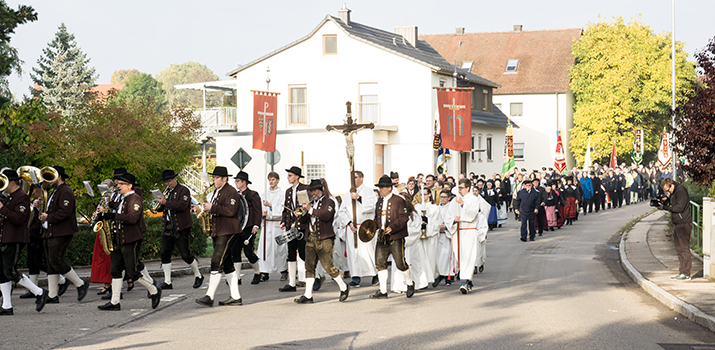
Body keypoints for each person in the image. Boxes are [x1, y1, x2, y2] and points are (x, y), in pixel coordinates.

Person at [98, 173, 162, 311]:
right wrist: (104, 211)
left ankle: (154, 290)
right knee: (115, 270)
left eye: (121, 184)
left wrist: (113, 215)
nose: (118, 186)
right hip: (118, 239)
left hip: (130, 240)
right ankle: (115, 302)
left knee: (132, 272)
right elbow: (116, 208)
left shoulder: (135, 199)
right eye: (117, 184)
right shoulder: (122, 198)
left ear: (130, 185)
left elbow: (132, 218)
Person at [0, 169, 50, 315]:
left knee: (10, 271)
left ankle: (40, 292)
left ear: (12, 182)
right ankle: (7, 306)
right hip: (5, 237)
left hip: (14, 238)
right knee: (2, 273)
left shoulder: (21, 197)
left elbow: (19, 218)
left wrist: (2, 209)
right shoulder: (8, 196)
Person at [293, 180, 350, 303]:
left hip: (325, 238)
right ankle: (308, 295)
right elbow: (304, 222)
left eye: (315, 190)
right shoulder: (311, 203)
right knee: (309, 266)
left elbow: (326, 216)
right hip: (311, 238)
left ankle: (344, 287)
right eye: (311, 191)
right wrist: (300, 214)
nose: (313, 193)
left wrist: (310, 209)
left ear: (321, 190)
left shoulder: (329, 202)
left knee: (328, 266)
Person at [39, 165, 88, 304]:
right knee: (50, 263)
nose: (48, 181)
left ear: (58, 176)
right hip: (52, 231)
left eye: (51, 177)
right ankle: (53, 295)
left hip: (61, 232)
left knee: (55, 260)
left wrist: (48, 217)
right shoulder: (56, 191)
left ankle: (80, 284)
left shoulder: (65, 191)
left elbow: (65, 212)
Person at [196, 166, 243, 307]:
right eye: (213, 177)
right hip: (219, 231)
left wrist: (212, 208)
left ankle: (209, 296)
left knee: (216, 260)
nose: (214, 180)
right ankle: (235, 296)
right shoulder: (216, 192)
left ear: (224, 179)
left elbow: (231, 210)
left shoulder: (231, 192)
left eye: (216, 178)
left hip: (228, 231)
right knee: (228, 264)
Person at [156, 169, 203, 290]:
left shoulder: (184, 190)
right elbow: (161, 209)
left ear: (174, 179)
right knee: (164, 253)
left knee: (185, 254)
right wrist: (160, 203)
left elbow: (182, 206)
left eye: (169, 181)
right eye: (165, 182)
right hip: (168, 226)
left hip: (181, 227)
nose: (167, 184)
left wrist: (166, 202)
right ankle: (167, 281)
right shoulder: (166, 192)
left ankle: (198, 275)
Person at [370, 175, 414, 299]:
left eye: (382, 187)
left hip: (396, 236)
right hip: (382, 236)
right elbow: (377, 219)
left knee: (400, 263)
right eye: (379, 188)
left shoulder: (399, 200)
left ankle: (410, 283)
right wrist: (371, 227)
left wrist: (393, 227)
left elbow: (403, 217)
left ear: (389, 188)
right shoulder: (379, 202)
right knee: (380, 263)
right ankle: (383, 291)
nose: (380, 190)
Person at [450, 179, 490, 294]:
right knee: (460, 257)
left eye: (462, 188)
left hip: (469, 230)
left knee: (469, 256)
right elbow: (449, 214)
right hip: (458, 231)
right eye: (459, 188)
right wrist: (453, 220)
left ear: (468, 188)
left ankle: (464, 282)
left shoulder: (474, 199)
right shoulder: (454, 200)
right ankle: (468, 280)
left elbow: (472, 214)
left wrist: (462, 204)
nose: (460, 190)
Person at [338, 170, 377, 287]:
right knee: (354, 253)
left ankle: (375, 274)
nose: (353, 180)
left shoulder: (368, 191)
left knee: (368, 252)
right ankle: (356, 277)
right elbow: (342, 211)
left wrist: (359, 198)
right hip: (352, 228)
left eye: (355, 177)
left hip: (365, 227)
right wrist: (349, 223)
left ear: (361, 178)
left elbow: (372, 206)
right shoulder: (348, 193)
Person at [279, 166, 309, 292]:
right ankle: (291, 283)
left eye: (290, 175)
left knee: (303, 253)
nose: (288, 177)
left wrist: (300, 213)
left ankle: (311, 278)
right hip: (291, 227)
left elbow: (307, 206)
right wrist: (283, 221)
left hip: (302, 226)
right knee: (291, 253)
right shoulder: (288, 191)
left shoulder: (304, 189)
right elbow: (286, 209)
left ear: (297, 177)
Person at [231, 171, 262, 285]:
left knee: (248, 251)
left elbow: (258, 211)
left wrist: (256, 225)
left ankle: (258, 272)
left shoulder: (253, 194)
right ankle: (237, 278)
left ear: (244, 182)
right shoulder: (235, 195)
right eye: (235, 181)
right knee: (235, 251)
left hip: (249, 227)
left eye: (238, 181)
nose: (236, 183)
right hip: (237, 227)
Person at [659, 177, 692, 280]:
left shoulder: (680, 191)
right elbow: (675, 202)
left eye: (668, 190)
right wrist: (667, 200)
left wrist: (665, 207)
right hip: (678, 223)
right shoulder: (674, 192)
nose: (668, 192)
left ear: (671, 185)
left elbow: (679, 207)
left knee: (684, 248)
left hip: (683, 223)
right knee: (679, 249)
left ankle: (686, 273)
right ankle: (682, 271)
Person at [259, 171, 288, 282]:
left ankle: (283, 271)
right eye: (270, 180)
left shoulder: (282, 194)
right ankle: (264, 272)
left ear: (278, 180)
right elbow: (261, 208)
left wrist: (270, 206)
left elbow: (282, 210)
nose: (271, 182)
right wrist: (263, 213)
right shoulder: (264, 194)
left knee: (279, 248)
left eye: (273, 179)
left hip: (277, 224)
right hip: (267, 224)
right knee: (265, 249)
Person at [90, 179, 114, 296]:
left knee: (109, 259)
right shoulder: (102, 200)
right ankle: (106, 284)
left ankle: (111, 284)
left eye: (105, 188)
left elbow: (115, 213)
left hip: (110, 228)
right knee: (101, 258)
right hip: (103, 228)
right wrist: (97, 216)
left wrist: (105, 210)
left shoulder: (114, 198)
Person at [433, 189, 456, 286]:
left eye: (444, 197)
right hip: (438, 235)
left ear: (449, 198)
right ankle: (438, 275)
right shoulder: (436, 208)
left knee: (448, 256)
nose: (442, 199)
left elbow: (454, 220)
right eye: (441, 197)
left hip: (447, 235)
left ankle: (448, 277)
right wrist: (437, 226)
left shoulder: (452, 208)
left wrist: (446, 227)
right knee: (438, 256)